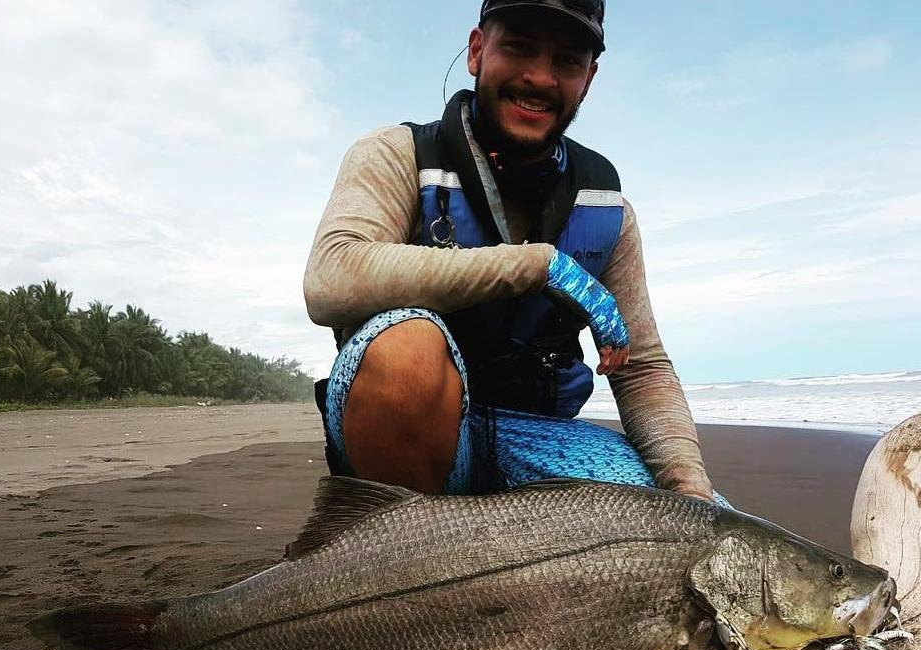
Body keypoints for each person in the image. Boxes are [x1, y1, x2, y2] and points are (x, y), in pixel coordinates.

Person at [304, 0, 719, 504]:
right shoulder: (396, 155)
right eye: (519, 47)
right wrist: (538, 265)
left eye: (567, 61)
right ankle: (406, 556)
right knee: (405, 350)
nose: (540, 78)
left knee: (703, 530)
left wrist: (688, 489)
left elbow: (644, 367)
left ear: (588, 78)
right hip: (415, 438)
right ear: (477, 50)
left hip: (536, 439)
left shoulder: (609, 210)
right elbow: (330, 278)